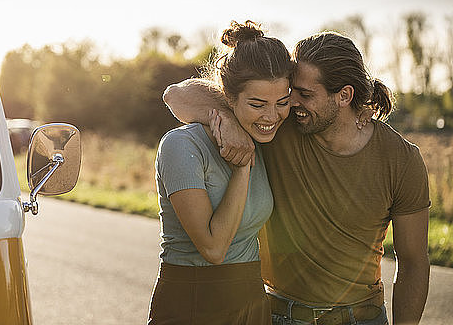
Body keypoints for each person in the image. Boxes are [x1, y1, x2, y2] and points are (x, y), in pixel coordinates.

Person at [163, 31, 430, 325]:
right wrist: (229, 121)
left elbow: (414, 262)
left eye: (304, 95)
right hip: (280, 315)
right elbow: (177, 95)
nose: (292, 104)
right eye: (291, 93)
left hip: (362, 317)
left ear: (344, 95)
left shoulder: (401, 159)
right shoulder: (279, 127)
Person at [148, 20, 295, 325]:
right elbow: (214, 248)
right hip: (193, 301)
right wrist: (242, 167)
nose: (271, 116)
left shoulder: (265, 138)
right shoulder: (182, 145)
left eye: (282, 102)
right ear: (228, 98)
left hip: (251, 300)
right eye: (257, 104)